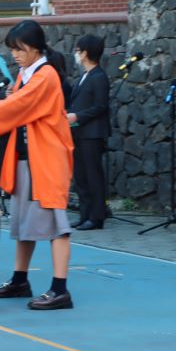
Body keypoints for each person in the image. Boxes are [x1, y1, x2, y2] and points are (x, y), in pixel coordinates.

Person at [0, 20, 74, 310]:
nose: (15, 55)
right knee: (23, 222)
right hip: (25, 157)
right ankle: (20, 279)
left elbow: (17, 108)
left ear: (34, 48)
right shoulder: (26, 74)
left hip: (46, 158)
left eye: (19, 50)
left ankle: (60, 289)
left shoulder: (45, 76)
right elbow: (16, 105)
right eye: (12, 50)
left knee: (58, 223)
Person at [67, 34, 110, 231]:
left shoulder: (99, 77)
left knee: (93, 176)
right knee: (81, 176)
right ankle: (85, 215)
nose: (76, 54)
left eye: (78, 50)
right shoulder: (84, 76)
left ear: (85, 53)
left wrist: (78, 116)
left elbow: (101, 106)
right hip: (78, 133)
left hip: (92, 134)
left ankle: (96, 217)